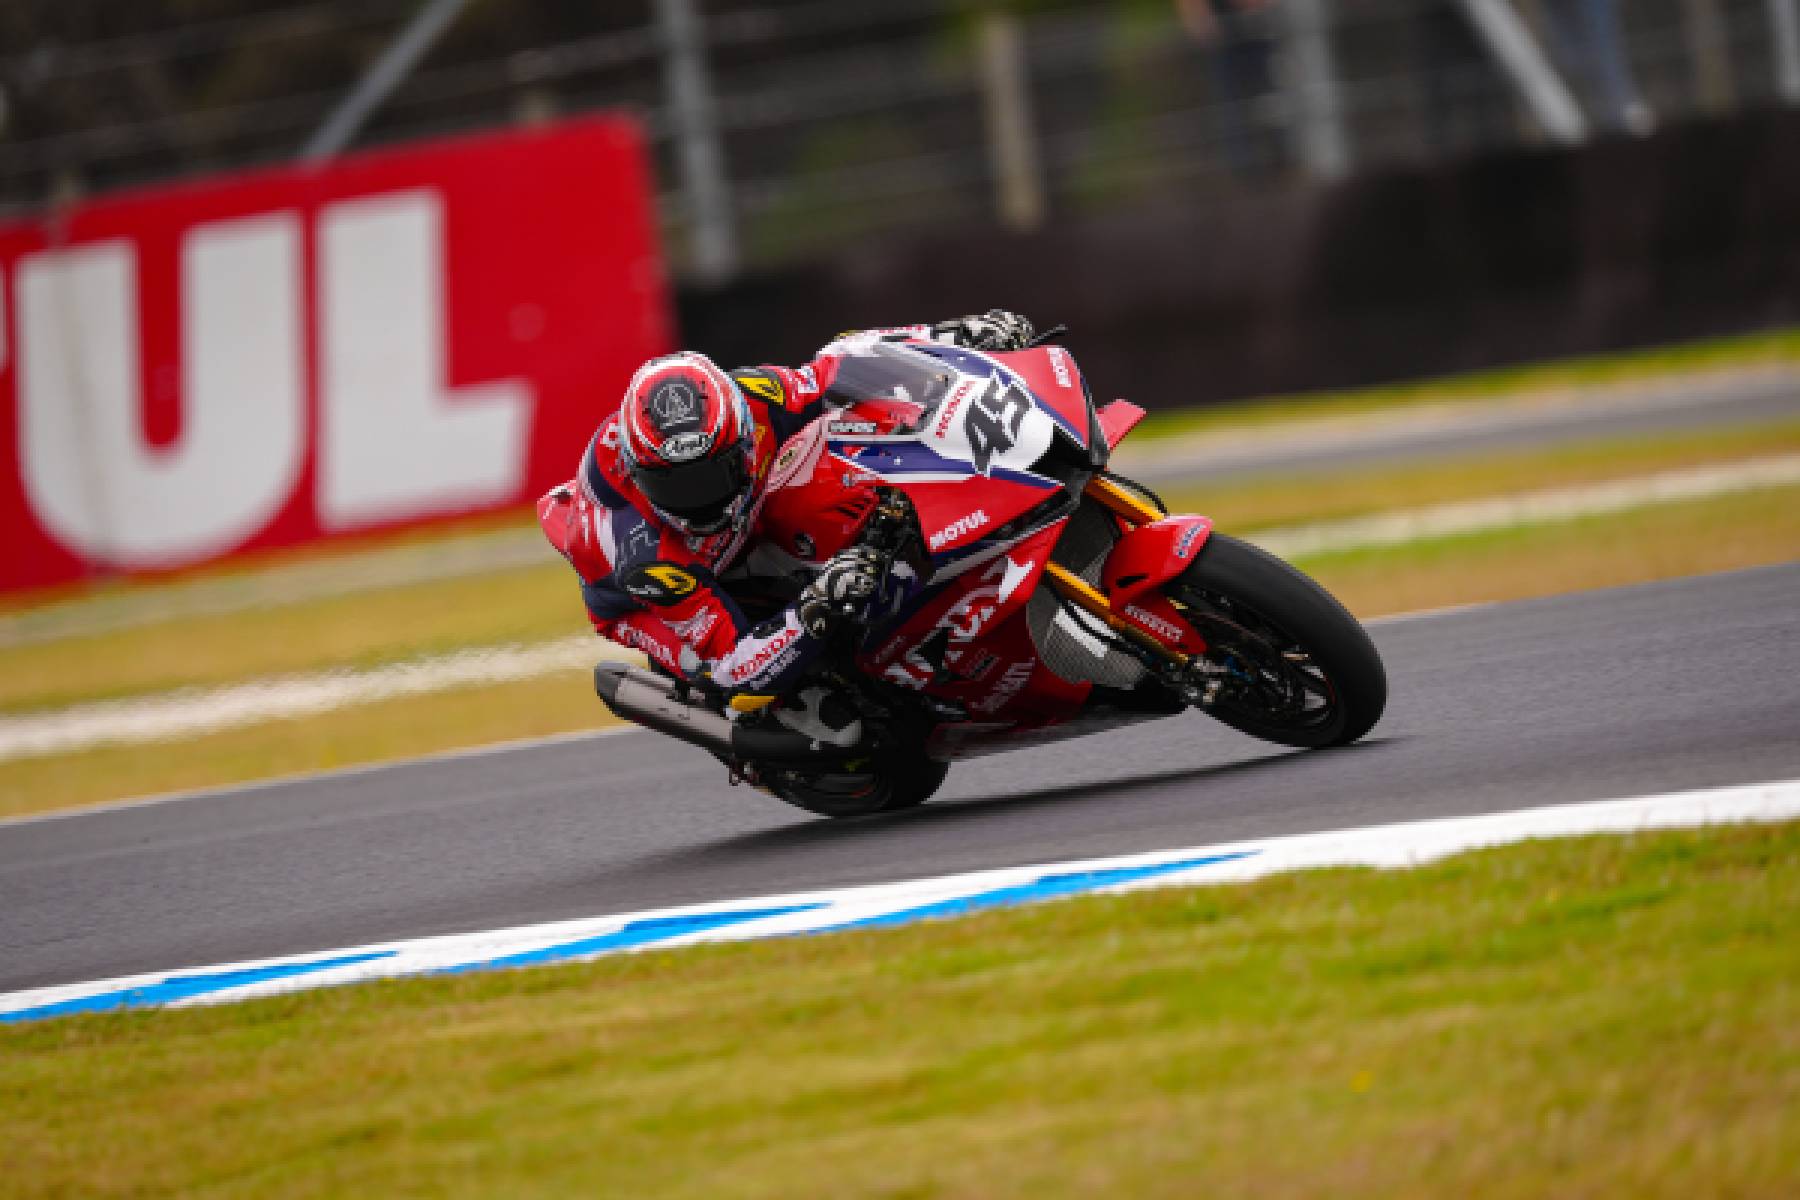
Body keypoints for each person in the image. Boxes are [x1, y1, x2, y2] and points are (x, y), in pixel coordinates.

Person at [538, 310, 1037, 701]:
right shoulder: (641, 557)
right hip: (644, 600)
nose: (702, 501)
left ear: (739, 436)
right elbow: (733, 665)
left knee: (834, 465)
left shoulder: (754, 397)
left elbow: (843, 361)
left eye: (713, 475)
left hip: (746, 520)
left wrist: (955, 336)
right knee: (720, 681)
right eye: (677, 488)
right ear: (638, 472)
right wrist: (817, 604)